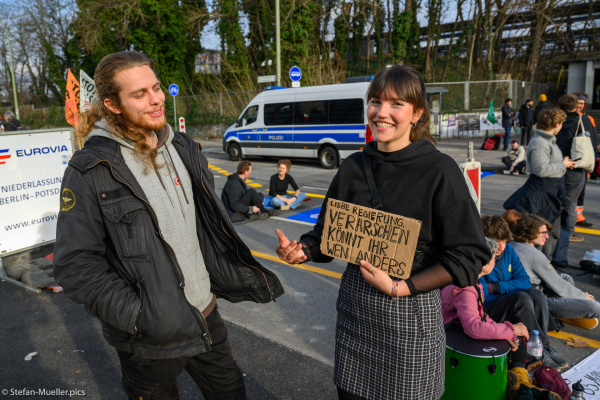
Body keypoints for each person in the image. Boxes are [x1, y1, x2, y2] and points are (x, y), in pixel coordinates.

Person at [52, 51, 284, 400]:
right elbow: (74, 265)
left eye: (155, 87)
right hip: (148, 337)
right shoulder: (90, 169)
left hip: (206, 314)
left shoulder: (184, 148)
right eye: (139, 94)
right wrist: (140, 316)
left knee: (232, 392)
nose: (156, 99)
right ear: (113, 105)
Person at [275, 65, 490, 400]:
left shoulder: (440, 171)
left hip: (410, 315)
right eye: (375, 101)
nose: (381, 112)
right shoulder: (353, 166)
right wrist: (303, 249)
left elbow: (470, 255)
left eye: (396, 104)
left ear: (417, 113)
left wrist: (401, 287)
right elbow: (326, 235)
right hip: (355, 314)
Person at [442, 237, 546, 390]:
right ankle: (518, 385)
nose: (495, 262)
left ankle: (517, 376)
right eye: (493, 259)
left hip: (458, 330)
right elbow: (474, 328)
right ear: (484, 263)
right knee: (513, 331)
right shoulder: (466, 289)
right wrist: (510, 330)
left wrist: (509, 331)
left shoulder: (473, 282)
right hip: (451, 338)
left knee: (515, 333)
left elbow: (482, 315)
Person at [479, 215, 567, 370]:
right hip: (487, 311)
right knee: (521, 298)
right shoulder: (480, 257)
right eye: (497, 243)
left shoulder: (509, 251)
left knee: (536, 294)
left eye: (504, 242)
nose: (501, 247)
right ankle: (537, 353)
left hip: (505, 299)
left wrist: (498, 287)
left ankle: (544, 345)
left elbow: (524, 281)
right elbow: (484, 296)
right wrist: (510, 294)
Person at [504, 108, 576, 260]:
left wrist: (563, 164)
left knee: (549, 233)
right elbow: (540, 169)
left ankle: (545, 266)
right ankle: (539, 268)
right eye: (561, 123)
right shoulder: (540, 142)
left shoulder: (548, 140)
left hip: (550, 191)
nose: (562, 126)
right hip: (542, 194)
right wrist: (563, 164)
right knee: (540, 234)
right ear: (556, 124)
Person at [511, 213, 600, 330]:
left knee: (566, 277)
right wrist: (584, 297)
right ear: (529, 232)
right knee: (595, 307)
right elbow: (558, 284)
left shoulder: (512, 244)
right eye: (543, 233)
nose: (547, 236)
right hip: (536, 301)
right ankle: (561, 311)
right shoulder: (534, 255)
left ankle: (567, 308)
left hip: (523, 293)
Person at [554, 94, 588, 258]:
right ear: (577, 106)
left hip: (557, 167)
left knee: (555, 207)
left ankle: (552, 250)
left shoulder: (557, 122)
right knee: (569, 208)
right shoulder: (583, 121)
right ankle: (561, 254)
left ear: (560, 107)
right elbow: (593, 141)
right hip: (576, 168)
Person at [573, 93, 599, 228]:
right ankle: (571, 217)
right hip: (571, 159)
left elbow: (594, 138)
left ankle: (578, 216)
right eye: (577, 102)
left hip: (584, 159)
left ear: (585, 105)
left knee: (581, 189)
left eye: (582, 103)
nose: (579, 105)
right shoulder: (568, 118)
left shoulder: (588, 119)